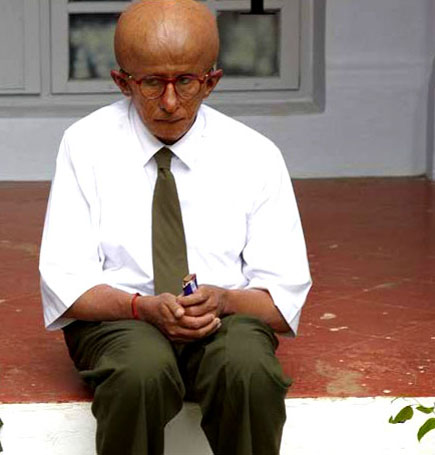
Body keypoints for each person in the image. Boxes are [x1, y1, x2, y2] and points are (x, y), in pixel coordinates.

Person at [39, 1, 312, 454]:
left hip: (223, 320)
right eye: (151, 83)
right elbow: (67, 285)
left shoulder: (255, 155)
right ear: (122, 82)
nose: (169, 103)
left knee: (248, 369)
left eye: (185, 81)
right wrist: (142, 307)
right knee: (138, 372)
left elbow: (283, 304)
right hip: (122, 319)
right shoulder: (85, 145)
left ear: (211, 82)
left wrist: (224, 299)